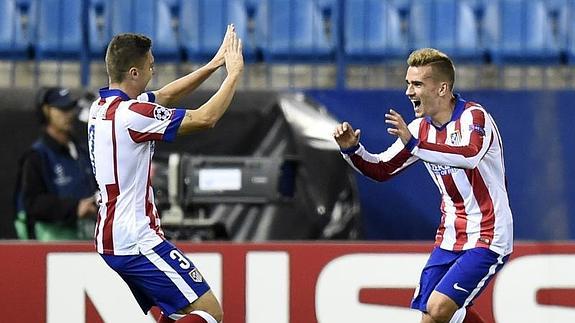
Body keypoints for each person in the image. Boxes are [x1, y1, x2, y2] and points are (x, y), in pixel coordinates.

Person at [333, 48, 513, 323]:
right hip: (451, 236)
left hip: (488, 234)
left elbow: (469, 155)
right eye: (408, 83)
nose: (408, 92)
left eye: (417, 84)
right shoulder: (419, 130)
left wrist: (415, 145)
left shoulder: (474, 117)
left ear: (442, 88)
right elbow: (381, 169)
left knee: (440, 307)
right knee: (431, 317)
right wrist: (353, 150)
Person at [88, 24, 243, 323]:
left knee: (173, 314)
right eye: (150, 66)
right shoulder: (132, 116)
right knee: (210, 312)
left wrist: (213, 65)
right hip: (135, 238)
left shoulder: (101, 108)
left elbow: (165, 95)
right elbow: (206, 118)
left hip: (111, 236)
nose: (153, 70)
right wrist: (233, 74)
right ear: (134, 73)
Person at [15, 86, 98, 240]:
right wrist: (75, 208)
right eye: (61, 109)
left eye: (70, 108)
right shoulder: (36, 156)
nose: (68, 114)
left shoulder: (82, 151)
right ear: (46, 111)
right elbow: (32, 203)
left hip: (87, 236)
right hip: (52, 240)